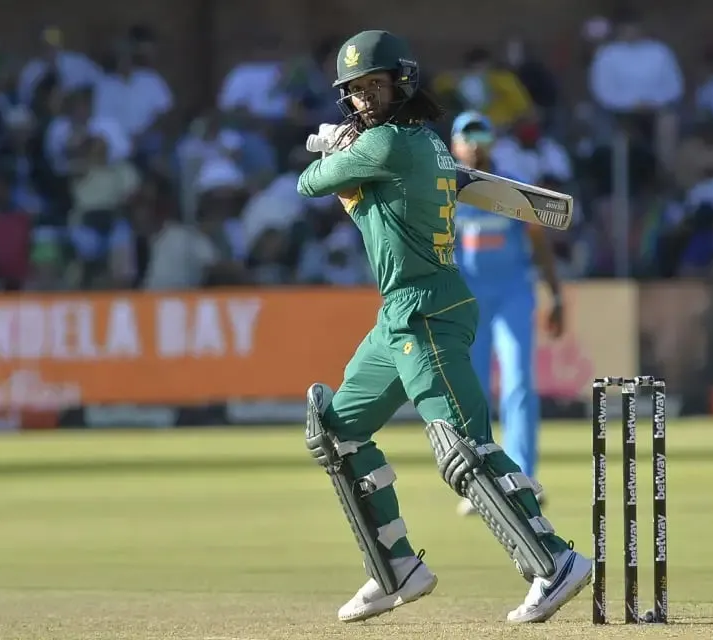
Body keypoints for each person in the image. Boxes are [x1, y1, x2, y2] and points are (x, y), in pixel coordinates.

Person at [296, 30, 593, 625]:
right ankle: (395, 568)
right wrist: (345, 153)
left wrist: (334, 149)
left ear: (400, 83)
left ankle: (553, 561)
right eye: (353, 91)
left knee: (460, 446)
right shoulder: (422, 145)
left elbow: (309, 184)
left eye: (373, 86)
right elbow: (357, 196)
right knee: (336, 430)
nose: (363, 98)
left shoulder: (385, 145)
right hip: (398, 316)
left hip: (428, 310)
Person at [449, 111, 565, 517]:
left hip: (514, 294)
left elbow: (539, 242)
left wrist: (555, 294)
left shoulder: (511, 189)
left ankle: (523, 476)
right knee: (473, 392)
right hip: (469, 301)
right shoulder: (446, 190)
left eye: (482, 134)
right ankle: (479, 483)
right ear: (454, 144)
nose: (475, 143)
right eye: (467, 136)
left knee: (518, 384)